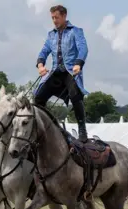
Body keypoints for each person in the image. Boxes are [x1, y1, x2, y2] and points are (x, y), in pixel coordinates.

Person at [34, 5, 89, 142]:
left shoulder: (76, 31)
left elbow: (83, 48)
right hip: (55, 73)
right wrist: (40, 65)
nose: (54, 20)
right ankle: (50, 126)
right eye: (52, 18)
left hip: (70, 72)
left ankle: (82, 130)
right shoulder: (51, 35)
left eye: (56, 17)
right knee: (38, 98)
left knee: (75, 95)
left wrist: (78, 63)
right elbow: (44, 52)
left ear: (64, 16)